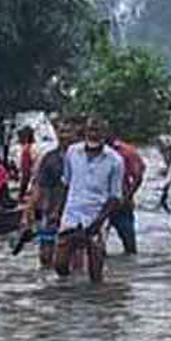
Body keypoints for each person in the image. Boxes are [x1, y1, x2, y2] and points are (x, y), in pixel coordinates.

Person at [55, 117, 124, 283]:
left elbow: (115, 197)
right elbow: (66, 184)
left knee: (95, 272)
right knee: (60, 264)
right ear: (85, 132)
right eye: (91, 130)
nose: (93, 134)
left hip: (96, 216)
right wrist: (57, 212)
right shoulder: (72, 152)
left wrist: (98, 222)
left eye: (98, 130)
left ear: (105, 134)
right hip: (71, 215)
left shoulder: (115, 160)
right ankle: (66, 297)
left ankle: (94, 302)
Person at [23, 117, 76, 269]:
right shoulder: (50, 158)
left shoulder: (82, 157)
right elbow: (39, 187)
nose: (63, 135)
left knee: (73, 257)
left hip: (74, 212)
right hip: (51, 211)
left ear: (74, 134)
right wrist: (28, 213)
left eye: (67, 132)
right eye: (60, 131)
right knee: (45, 257)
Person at [106, 133, 145, 255]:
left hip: (121, 204)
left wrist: (127, 196)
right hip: (98, 203)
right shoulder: (86, 151)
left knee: (130, 246)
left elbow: (138, 176)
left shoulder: (126, 151)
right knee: (96, 246)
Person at [16, 126, 36, 200]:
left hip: (33, 183)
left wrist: (21, 194)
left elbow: (26, 172)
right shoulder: (36, 147)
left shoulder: (26, 149)